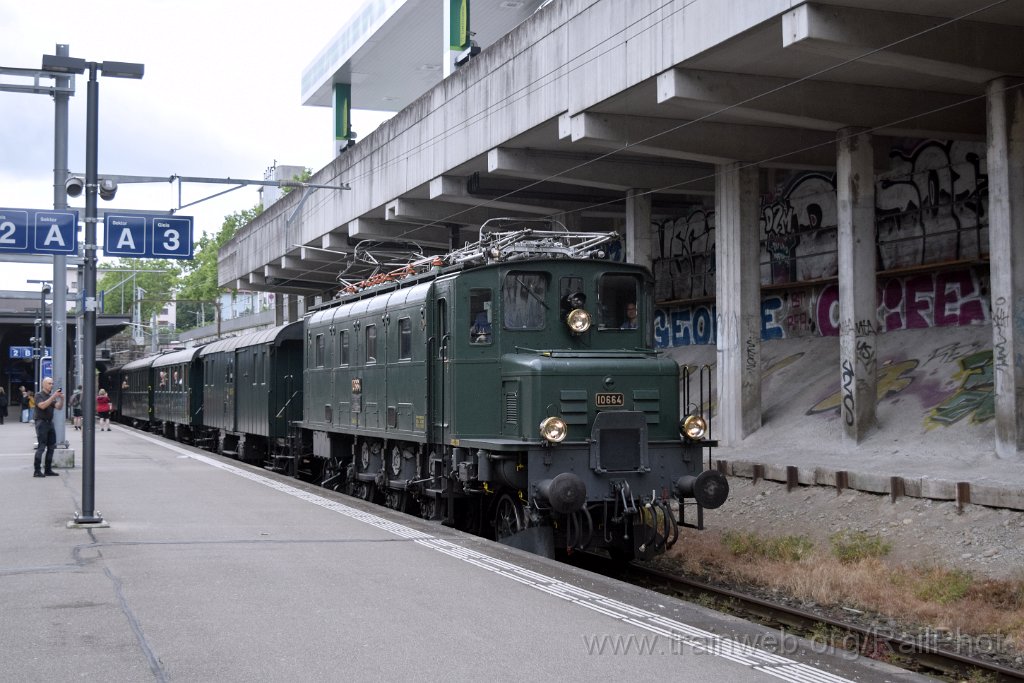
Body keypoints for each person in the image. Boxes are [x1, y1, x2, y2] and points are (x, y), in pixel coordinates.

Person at [33, 377, 64, 478]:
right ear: (44, 385)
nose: (52, 385)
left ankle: (48, 469)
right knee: (41, 447)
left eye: (52, 383)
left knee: (51, 447)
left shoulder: (50, 396)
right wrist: (53, 396)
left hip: (50, 423)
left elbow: (58, 407)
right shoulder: (38, 395)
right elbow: (42, 406)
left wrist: (61, 399)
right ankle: (37, 470)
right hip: (41, 423)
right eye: (50, 383)